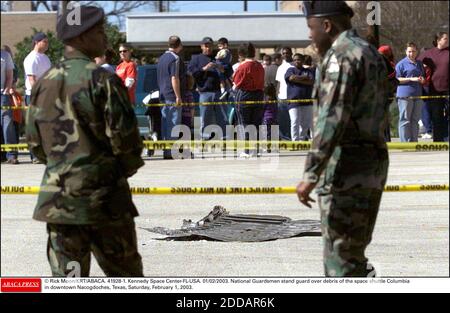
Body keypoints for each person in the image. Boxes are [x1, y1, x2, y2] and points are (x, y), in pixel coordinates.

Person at [25, 5, 144, 277]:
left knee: (70, 281)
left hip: (60, 204)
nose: (105, 38)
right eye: (99, 31)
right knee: (126, 281)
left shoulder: (44, 84)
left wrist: (62, 166)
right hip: (105, 203)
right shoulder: (104, 80)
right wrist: (112, 172)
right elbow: (128, 146)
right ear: (80, 37)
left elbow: (35, 145)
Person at [297, 1, 390, 277]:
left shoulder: (341, 56)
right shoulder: (370, 53)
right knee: (354, 254)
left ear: (327, 26)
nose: (310, 36)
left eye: (311, 28)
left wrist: (311, 173)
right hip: (372, 166)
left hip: (345, 171)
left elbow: (331, 119)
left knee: (340, 262)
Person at [188, 37, 228, 140]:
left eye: (210, 46)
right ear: (201, 46)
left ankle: (224, 137)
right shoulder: (196, 58)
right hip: (204, 92)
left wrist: (220, 67)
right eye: (206, 46)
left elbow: (228, 72)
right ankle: (204, 138)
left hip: (219, 92)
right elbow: (192, 73)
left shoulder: (217, 58)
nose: (208, 48)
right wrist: (204, 68)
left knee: (222, 117)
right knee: (204, 117)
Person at [232, 42, 265, 157]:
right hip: (259, 94)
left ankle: (246, 150)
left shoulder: (242, 67)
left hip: (244, 94)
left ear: (241, 54)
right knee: (256, 123)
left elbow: (236, 82)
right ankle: (255, 150)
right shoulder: (260, 66)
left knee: (244, 123)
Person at [23, 32, 51, 163]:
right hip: (34, 96)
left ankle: (45, 154)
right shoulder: (31, 58)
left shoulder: (45, 58)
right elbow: (32, 79)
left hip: (46, 95)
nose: (47, 44)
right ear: (37, 42)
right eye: (45, 41)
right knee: (34, 127)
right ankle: (34, 156)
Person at [157, 35, 186, 159]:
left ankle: (166, 151)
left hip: (162, 95)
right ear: (179, 45)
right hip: (171, 95)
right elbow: (174, 78)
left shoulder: (161, 58)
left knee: (165, 124)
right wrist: (178, 96)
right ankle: (171, 152)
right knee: (173, 124)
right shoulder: (175, 58)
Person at [417, 32, 449, 142]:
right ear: (438, 40)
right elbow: (416, 64)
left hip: (448, 89)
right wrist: (421, 76)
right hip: (434, 89)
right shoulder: (428, 53)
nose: (447, 40)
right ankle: (439, 141)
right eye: (445, 38)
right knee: (437, 116)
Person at [395, 42, 426, 142]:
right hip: (405, 96)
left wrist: (422, 80)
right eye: (409, 51)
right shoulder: (401, 64)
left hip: (417, 95)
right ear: (406, 52)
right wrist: (411, 79)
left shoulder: (419, 63)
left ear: (417, 52)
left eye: (413, 51)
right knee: (405, 120)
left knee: (415, 120)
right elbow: (397, 79)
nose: (411, 53)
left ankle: (414, 142)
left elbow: (423, 77)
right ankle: (405, 143)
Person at [285, 53, 315, 141]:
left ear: (302, 61)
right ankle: (295, 141)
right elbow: (291, 78)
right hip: (293, 101)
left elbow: (311, 82)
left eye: (299, 59)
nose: (297, 61)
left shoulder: (309, 71)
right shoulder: (290, 70)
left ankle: (302, 141)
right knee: (295, 121)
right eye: (295, 60)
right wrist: (304, 78)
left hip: (307, 101)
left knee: (305, 124)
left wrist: (297, 79)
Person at [1, 48, 18, 163]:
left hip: (2, 95)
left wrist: (6, 90)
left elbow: (9, 75)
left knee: (7, 124)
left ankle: (11, 155)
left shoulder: (5, 55)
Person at [275, 47, 294, 140]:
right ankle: (285, 139)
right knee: (283, 120)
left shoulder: (294, 66)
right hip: (281, 98)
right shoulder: (280, 67)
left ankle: (293, 138)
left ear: (291, 53)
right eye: (284, 53)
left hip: (293, 97)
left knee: (293, 120)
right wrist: (276, 96)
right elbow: (278, 83)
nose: (285, 55)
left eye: (287, 53)